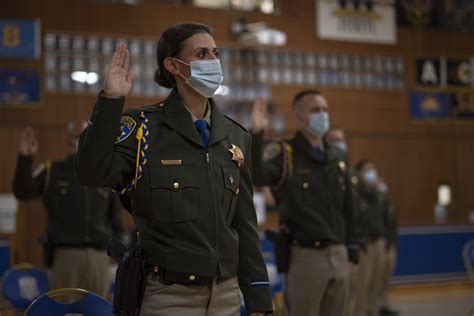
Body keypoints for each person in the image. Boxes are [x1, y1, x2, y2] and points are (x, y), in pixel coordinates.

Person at [75, 22, 272, 316]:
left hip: (226, 296)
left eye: (215, 53)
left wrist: (258, 299)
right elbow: (92, 172)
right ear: (173, 65)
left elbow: (243, 223)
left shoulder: (235, 136)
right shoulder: (144, 128)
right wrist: (111, 102)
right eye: (202, 54)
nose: (213, 62)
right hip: (169, 296)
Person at [250, 91, 359, 316]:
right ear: (299, 116)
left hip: (338, 253)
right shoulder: (285, 152)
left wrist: (352, 250)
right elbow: (257, 176)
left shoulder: (337, 156)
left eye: (325, 109)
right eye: (315, 110)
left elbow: (348, 206)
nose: (323, 115)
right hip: (306, 257)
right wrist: (257, 134)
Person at [12, 123, 123, 298]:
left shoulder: (103, 173)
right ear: (68, 138)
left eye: (88, 135)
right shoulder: (53, 171)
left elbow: (115, 217)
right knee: (64, 309)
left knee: (99, 309)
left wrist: (119, 254)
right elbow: (23, 191)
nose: (82, 140)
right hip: (66, 256)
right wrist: (25, 158)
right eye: (78, 135)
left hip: (99, 257)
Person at [352, 160, 388, 316]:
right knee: (362, 284)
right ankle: (359, 312)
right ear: (358, 174)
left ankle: (373, 311)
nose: (371, 173)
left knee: (377, 282)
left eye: (373, 169)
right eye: (367, 170)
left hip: (379, 242)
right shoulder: (355, 195)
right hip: (364, 245)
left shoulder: (379, 195)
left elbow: (385, 219)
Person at [377, 179, 399, 316]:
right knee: (375, 280)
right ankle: (375, 307)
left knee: (385, 279)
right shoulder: (377, 204)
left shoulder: (390, 204)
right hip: (381, 246)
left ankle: (384, 305)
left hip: (390, 244)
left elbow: (392, 226)